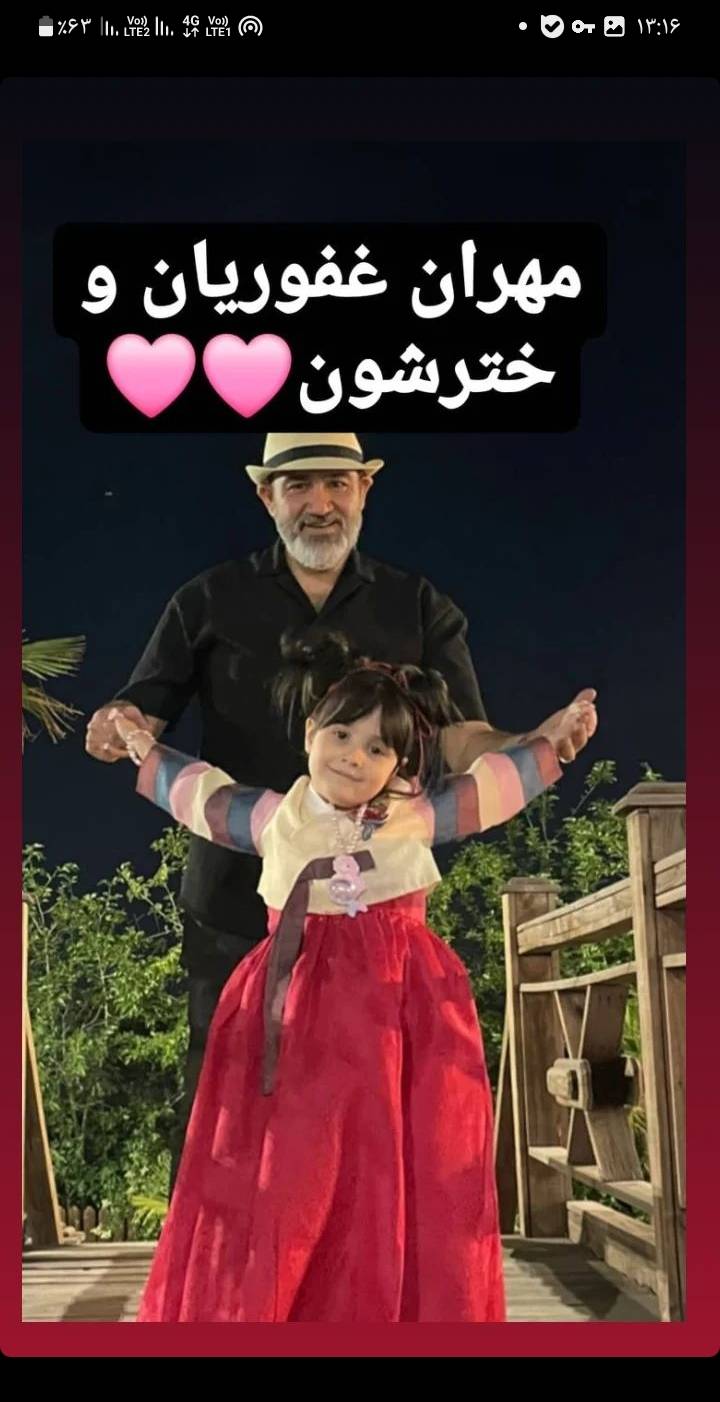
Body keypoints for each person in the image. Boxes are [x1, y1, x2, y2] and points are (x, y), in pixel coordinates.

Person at [86, 431, 562, 1195]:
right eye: (299, 485)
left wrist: (530, 746)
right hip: (236, 898)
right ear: (266, 496)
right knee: (226, 1089)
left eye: (337, 483)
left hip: (369, 917)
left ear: (364, 490)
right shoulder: (207, 599)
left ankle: (352, 1261)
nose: (320, 503)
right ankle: (222, 1264)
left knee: (366, 1101)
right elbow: (145, 708)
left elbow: (463, 735)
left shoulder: (417, 605)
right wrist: (120, 722)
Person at [110, 630, 597, 1322]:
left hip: (401, 1009)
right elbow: (203, 796)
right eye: (342, 735)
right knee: (294, 1167)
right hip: (294, 1009)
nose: (354, 757)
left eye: (377, 749)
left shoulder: (411, 817)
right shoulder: (278, 817)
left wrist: (552, 745)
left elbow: (487, 789)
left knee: (394, 1158)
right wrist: (143, 747)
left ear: (398, 762)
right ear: (311, 731)